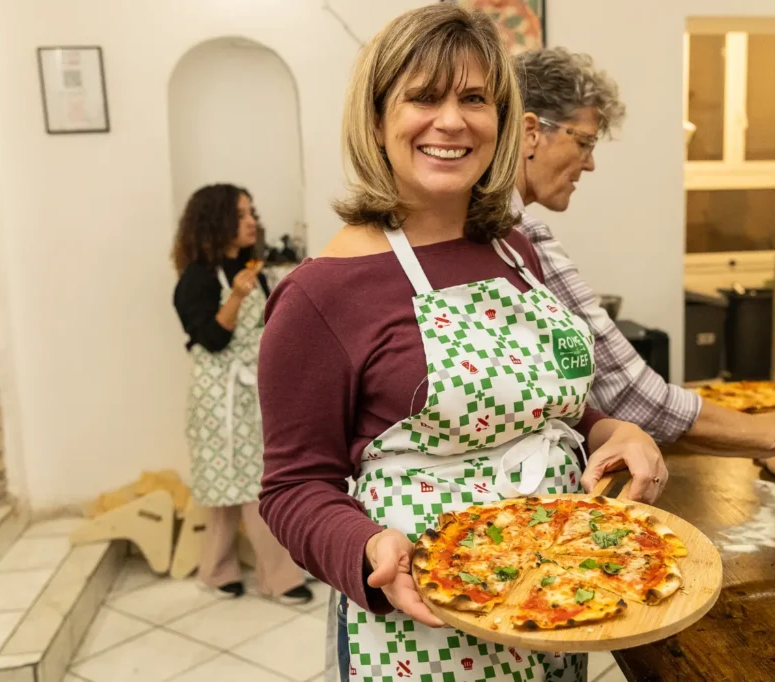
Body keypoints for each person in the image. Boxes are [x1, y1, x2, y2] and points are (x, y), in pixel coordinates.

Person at [258, 6, 673, 681]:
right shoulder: (320, 296)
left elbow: (535, 404)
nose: (451, 121)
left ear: (503, 122)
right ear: (375, 120)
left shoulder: (512, 249)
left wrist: (611, 430)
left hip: (553, 603)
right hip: (423, 624)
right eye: (423, 96)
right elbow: (292, 487)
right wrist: (367, 550)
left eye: (474, 98)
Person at [512, 47, 775, 496]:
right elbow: (635, 398)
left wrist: (762, 431)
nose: (590, 162)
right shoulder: (520, 235)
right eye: (585, 141)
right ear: (532, 130)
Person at [172, 183, 312, 604]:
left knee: (239, 483)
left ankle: (215, 571)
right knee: (246, 483)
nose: (253, 221)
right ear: (216, 222)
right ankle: (279, 577)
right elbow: (213, 339)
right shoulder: (196, 279)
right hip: (220, 398)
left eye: (252, 212)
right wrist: (234, 296)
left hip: (255, 390)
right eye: (241, 215)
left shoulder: (253, 269)